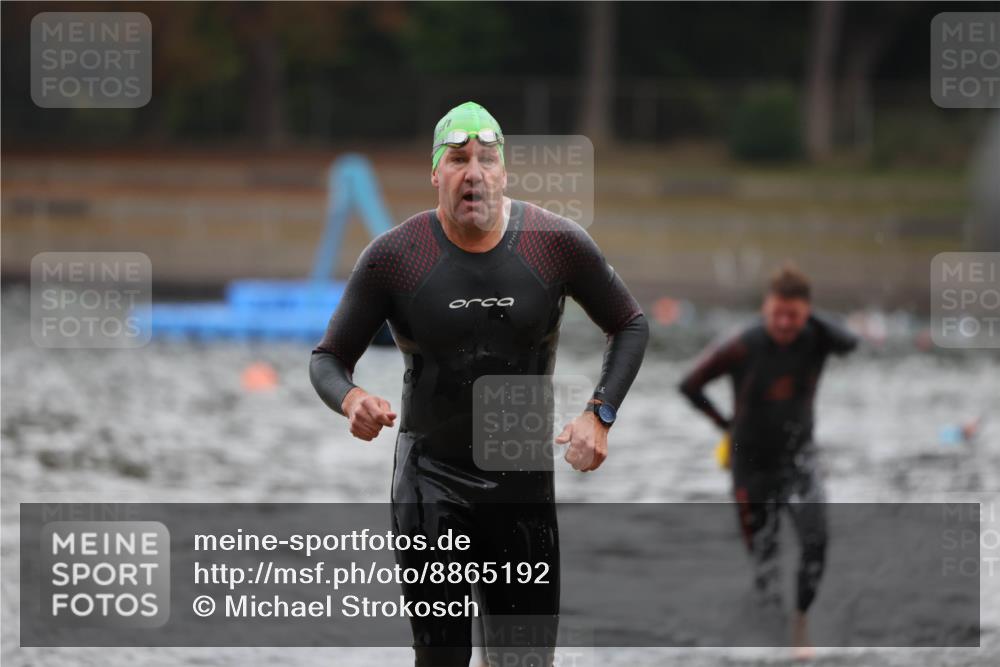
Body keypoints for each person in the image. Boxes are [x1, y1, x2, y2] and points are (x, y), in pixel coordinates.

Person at [310, 101, 648, 667]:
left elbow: (629, 324)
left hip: (522, 492)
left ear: (504, 172)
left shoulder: (554, 242)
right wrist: (352, 399)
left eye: (486, 159)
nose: (474, 173)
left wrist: (599, 413)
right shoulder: (394, 257)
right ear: (435, 173)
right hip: (430, 484)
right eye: (459, 159)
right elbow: (328, 359)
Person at [677, 264, 858, 655]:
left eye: (794, 314)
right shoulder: (743, 343)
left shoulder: (817, 337)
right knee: (765, 561)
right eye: (777, 313)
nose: (784, 323)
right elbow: (689, 385)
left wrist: (814, 319)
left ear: (807, 311)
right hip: (750, 467)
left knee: (816, 545)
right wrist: (724, 424)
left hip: (799, 461)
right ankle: (770, 640)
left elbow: (851, 342)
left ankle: (800, 626)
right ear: (765, 307)